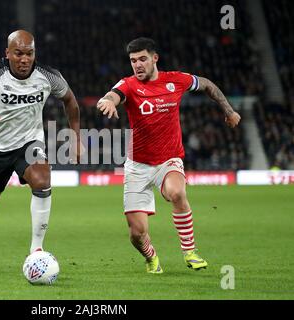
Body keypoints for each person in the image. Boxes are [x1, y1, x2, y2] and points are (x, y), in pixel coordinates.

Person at [96, 37, 241, 273]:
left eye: (142, 59)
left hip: (168, 160)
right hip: (137, 166)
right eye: (133, 61)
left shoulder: (176, 80)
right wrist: (107, 101)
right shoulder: (129, 85)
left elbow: (206, 84)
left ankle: (190, 251)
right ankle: (151, 257)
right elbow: (113, 94)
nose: (137, 65)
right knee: (136, 234)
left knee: (176, 191)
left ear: (155, 58)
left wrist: (229, 110)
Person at [0, 30, 81, 274]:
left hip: (29, 144)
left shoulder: (48, 76)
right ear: (7, 53)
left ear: (35, 53)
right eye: (18, 53)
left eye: (29, 54)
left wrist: (75, 137)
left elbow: (70, 101)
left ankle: (36, 251)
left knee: (42, 180)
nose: (24, 59)